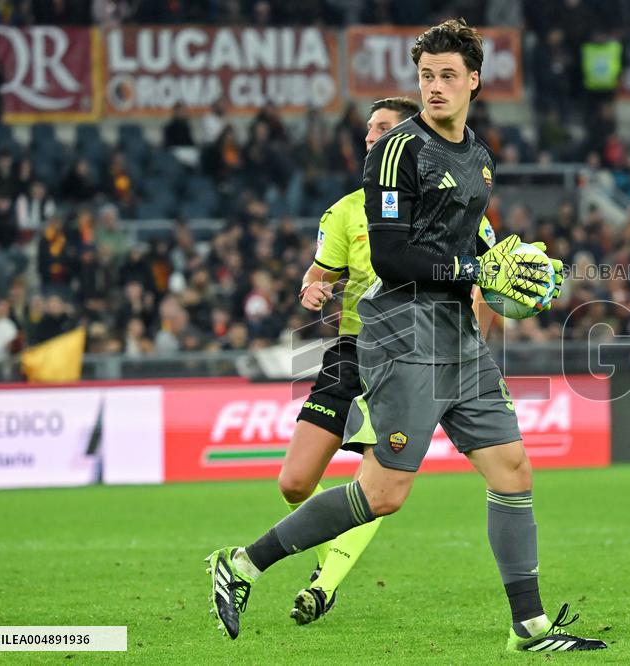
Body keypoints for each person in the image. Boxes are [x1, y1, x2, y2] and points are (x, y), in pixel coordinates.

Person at [207, 19, 605, 653]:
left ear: (475, 80)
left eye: (448, 75)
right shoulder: (395, 151)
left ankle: (527, 628)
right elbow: (392, 259)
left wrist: (511, 276)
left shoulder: (479, 157)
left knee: (512, 469)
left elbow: (471, 246)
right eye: (427, 76)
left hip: (456, 334)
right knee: (385, 493)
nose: (436, 87)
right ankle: (242, 564)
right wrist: (477, 269)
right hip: (401, 330)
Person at [280, 95, 499, 625]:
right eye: (368, 131)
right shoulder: (344, 211)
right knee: (294, 482)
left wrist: (471, 349)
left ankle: (324, 584)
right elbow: (320, 275)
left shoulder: (455, 202)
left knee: (380, 480)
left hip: (407, 351)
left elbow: (491, 284)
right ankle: (325, 562)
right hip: (349, 350)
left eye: (384, 128)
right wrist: (311, 291)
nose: (373, 137)